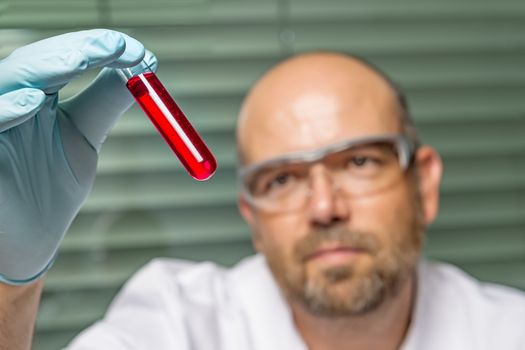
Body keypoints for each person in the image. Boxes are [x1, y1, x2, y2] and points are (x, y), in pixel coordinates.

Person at [0, 30, 524, 350]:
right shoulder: (178, 322)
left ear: (424, 183)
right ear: (251, 216)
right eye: (282, 179)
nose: (324, 208)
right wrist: (12, 286)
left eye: (359, 161)